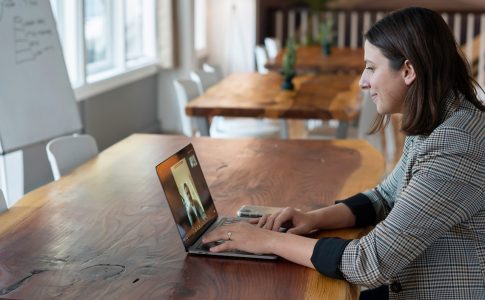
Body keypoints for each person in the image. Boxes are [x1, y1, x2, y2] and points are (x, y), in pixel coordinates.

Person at [202, 7, 485, 299]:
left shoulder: (457, 142)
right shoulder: (439, 118)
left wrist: (269, 242)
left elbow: (371, 262)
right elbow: (385, 196)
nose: (363, 81)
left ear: (408, 71)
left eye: (371, 68)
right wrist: (314, 218)